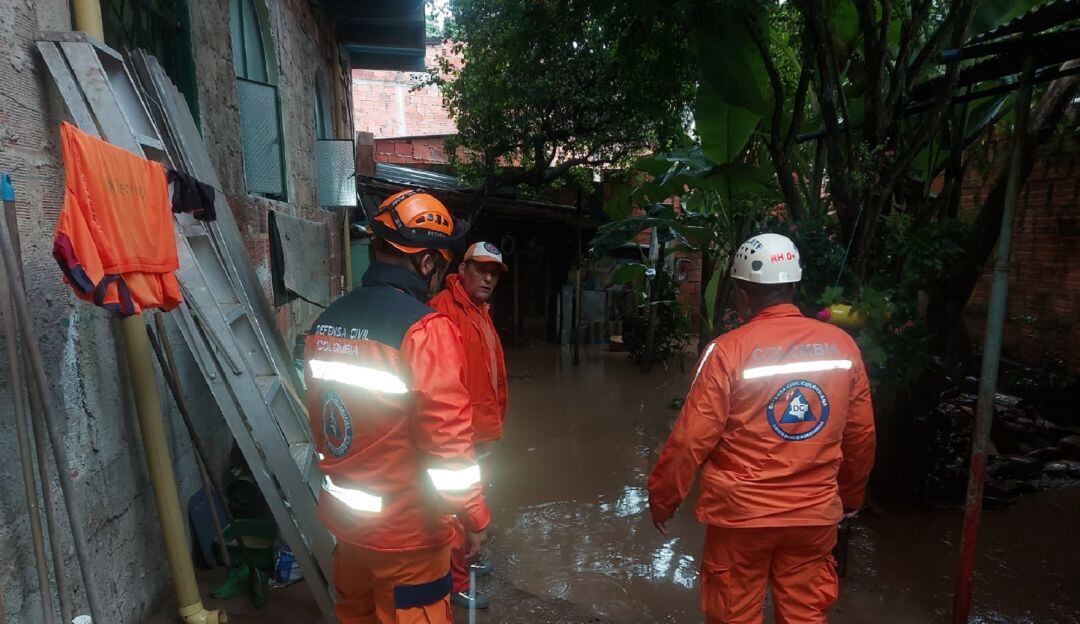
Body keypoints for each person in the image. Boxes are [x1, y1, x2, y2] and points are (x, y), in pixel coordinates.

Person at [647, 233, 876, 624]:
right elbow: (860, 437)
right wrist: (851, 498)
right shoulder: (843, 347)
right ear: (793, 285)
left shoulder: (726, 351)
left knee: (733, 615)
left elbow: (690, 441)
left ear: (742, 292)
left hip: (741, 519)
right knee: (805, 615)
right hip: (813, 517)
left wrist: (664, 499)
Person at [304, 190, 490, 624]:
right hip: (409, 537)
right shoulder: (426, 330)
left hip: (349, 529)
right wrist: (476, 517)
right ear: (427, 264)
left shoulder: (325, 323)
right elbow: (449, 451)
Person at [429, 241, 509, 609]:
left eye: (494, 273)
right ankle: (457, 582)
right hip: (460, 436)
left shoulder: (479, 311)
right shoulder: (443, 314)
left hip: (483, 432)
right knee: (457, 508)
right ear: (462, 271)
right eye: (481, 269)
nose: (489, 278)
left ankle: (467, 560)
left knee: (474, 500)